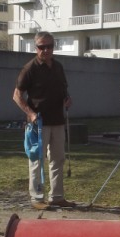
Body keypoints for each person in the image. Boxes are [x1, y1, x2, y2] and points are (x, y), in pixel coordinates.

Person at [13, 31, 74, 210]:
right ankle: (37, 197)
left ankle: (56, 196)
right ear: (36, 48)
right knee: (37, 160)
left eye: (49, 46)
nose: (46, 50)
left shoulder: (58, 67)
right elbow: (16, 96)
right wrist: (30, 113)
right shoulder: (29, 68)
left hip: (58, 120)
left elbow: (63, 89)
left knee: (57, 159)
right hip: (38, 123)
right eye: (42, 47)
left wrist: (67, 99)